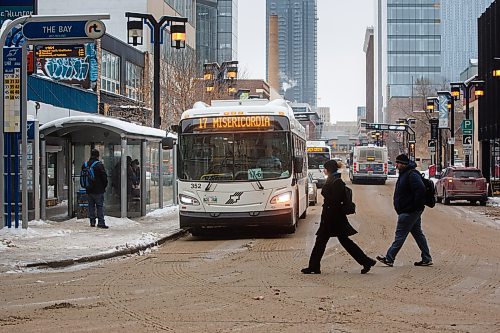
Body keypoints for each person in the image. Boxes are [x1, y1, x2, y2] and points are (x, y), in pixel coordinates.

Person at [302, 159, 376, 274]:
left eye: (325, 169)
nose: (324, 171)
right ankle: (366, 261)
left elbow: (335, 200)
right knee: (339, 241)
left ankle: (314, 266)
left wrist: (325, 192)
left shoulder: (336, 181)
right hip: (333, 217)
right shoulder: (334, 180)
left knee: (323, 241)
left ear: (329, 170)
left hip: (333, 218)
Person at [376, 154, 433, 267]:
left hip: (409, 211)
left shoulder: (411, 174)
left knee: (400, 235)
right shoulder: (405, 174)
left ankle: (389, 258)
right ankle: (426, 258)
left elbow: (420, 190)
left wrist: (415, 207)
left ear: (403, 164)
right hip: (410, 210)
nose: (396, 165)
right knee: (418, 234)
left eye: (398, 163)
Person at [85, 149, 109, 229]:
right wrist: (104, 186)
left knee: (91, 206)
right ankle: (101, 222)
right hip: (98, 190)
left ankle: (92, 222)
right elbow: (104, 177)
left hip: (89, 189)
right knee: (99, 206)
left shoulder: (86, 164)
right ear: (98, 156)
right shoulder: (99, 165)